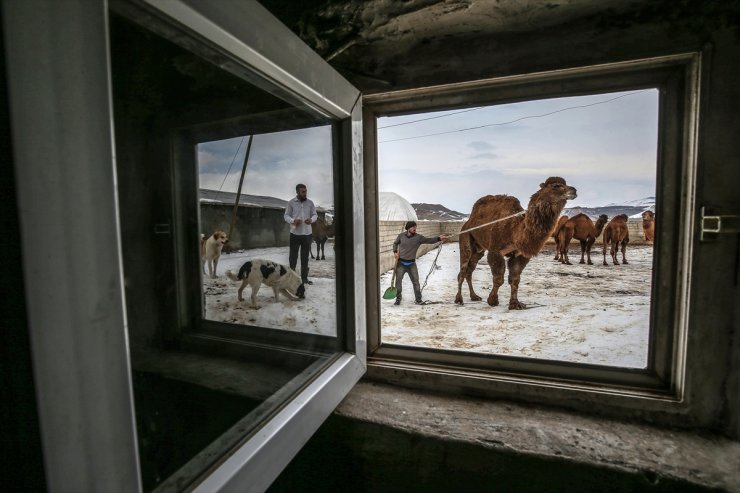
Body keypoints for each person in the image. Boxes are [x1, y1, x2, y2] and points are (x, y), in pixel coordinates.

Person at [392, 221, 447, 305]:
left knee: (416, 282)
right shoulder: (401, 236)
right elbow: (395, 243)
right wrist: (395, 252)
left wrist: (439, 238)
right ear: (408, 228)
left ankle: (418, 299)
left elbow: (429, 240)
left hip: (411, 264)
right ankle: (398, 299)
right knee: (398, 282)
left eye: (415, 227)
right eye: (413, 227)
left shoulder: (418, 238)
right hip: (401, 263)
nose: (415, 228)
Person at [284, 183, 318, 284]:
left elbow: (315, 214)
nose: (305, 193)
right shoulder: (291, 203)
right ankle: (292, 279)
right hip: (294, 234)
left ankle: (304, 278)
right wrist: (293, 220)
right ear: (297, 192)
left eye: (306, 191)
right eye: (303, 191)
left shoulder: (310, 203)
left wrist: (311, 220)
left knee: (305, 257)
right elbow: (286, 216)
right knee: (293, 257)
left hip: (307, 234)